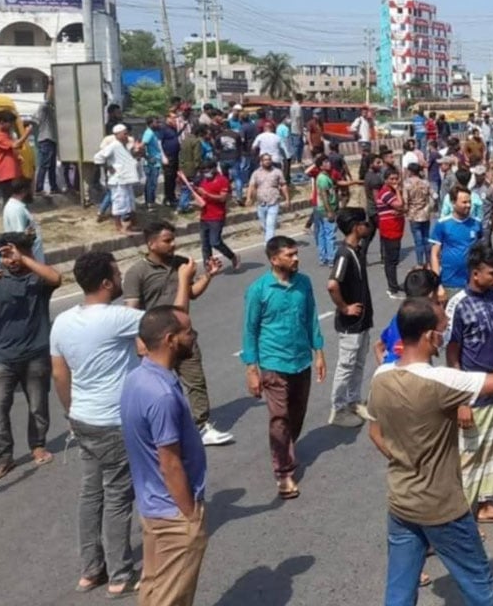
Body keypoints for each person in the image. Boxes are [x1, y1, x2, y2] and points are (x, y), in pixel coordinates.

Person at [368, 295, 493, 605]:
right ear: (428, 336)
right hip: (443, 507)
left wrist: (408, 461)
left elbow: (375, 432)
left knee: (399, 591)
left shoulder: (380, 377)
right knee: (479, 587)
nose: (445, 334)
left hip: (401, 502)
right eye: (441, 329)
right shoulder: (441, 380)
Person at [51, 251, 164, 597]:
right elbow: (168, 324)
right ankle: (119, 575)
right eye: (117, 274)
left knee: (90, 494)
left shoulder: (62, 321)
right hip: (113, 421)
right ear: (105, 282)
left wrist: (71, 413)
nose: (120, 279)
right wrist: (186, 283)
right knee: (117, 497)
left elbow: (59, 374)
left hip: (83, 419)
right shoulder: (118, 317)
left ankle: (91, 570)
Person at [120, 306, 210, 606]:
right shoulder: (162, 394)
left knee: (154, 589)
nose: (194, 337)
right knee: (171, 598)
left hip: (152, 506)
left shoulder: (137, 378)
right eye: (188, 332)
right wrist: (190, 519)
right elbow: (170, 463)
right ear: (171, 339)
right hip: (173, 513)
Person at [123, 220, 234, 447]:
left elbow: (191, 293)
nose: (173, 244)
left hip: (183, 337)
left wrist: (208, 276)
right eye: (167, 240)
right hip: (155, 340)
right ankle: (158, 428)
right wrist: (138, 339)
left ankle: (202, 426)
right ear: (151, 244)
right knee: (157, 388)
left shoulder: (182, 264)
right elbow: (131, 312)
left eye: (173, 239)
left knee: (196, 381)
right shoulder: (137, 272)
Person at [0, 232, 61, 480]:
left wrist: (25, 259)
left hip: (36, 354)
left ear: (27, 253)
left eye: (14, 254)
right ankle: (4, 457)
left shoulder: (38, 278)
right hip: (2, 357)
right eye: (5, 255)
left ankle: (38, 445)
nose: (10, 261)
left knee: (38, 405)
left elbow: (57, 278)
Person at [242, 235, 327, 500]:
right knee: (279, 418)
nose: (296, 258)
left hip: (301, 359)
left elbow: (311, 317)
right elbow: (250, 330)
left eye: (295, 254)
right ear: (274, 259)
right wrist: (251, 369)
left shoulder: (304, 283)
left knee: (296, 414)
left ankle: (285, 449)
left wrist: (319, 353)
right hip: (273, 363)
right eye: (289, 255)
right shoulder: (259, 290)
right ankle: (284, 473)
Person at [448, 245, 493, 526]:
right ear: (475, 273)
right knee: (469, 456)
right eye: (491, 273)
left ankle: (485, 505)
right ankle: (461, 519)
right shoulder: (458, 305)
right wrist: (460, 400)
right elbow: (451, 353)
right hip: (473, 392)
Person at [327, 209, 374, 429]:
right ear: (356, 226)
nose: (368, 227)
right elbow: (332, 284)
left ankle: (354, 401)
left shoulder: (357, 249)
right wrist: (345, 308)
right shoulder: (344, 254)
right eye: (364, 223)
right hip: (351, 324)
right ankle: (338, 408)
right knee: (346, 365)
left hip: (363, 320)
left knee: (359, 363)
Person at [431, 186, 481, 298]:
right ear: (453, 203)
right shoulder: (442, 224)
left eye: (469, 202)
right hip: (449, 283)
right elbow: (434, 254)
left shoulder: (477, 223)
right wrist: (438, 284)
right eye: (464, 202)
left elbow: (481, 250)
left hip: (472, 283)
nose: (468, 205)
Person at [244, 152, 289, 244]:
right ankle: (269, 239)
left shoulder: (277, 172)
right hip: (261, 203)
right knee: (264, 225)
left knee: (270, 225)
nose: (267, 162)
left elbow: (283, 185)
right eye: (265, 160)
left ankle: (268, 245)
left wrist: (287, 199)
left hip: (274, 202)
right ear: (261, 162)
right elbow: (252, 186)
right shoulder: (256, 173)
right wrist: (249, 198)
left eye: (269, 160)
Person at [376, 166, 407, 297]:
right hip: (390, 229)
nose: (395, 181)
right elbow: (400, 205)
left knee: (394, 259)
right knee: (391, 260)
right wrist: (398, 191)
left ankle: (393, 284)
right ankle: (392, 287)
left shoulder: (392, 192)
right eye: (391, 179)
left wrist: (400, 208)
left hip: (396, 228)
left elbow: (403, 207)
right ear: (386, 180)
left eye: (396, 178)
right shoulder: (386, 192)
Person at [1, 179, 43, 263]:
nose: (32, 193)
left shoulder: (17, 206)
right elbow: (20, 238)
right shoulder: (16, 209)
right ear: (24, 191)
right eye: (31, 189)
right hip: (30, 260)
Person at [0, 110, 28, 201]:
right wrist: (26, 133)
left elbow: (11, 148)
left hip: (14, 171)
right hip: (6, 173)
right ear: (2, 122)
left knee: (18, 198)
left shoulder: (6, 134)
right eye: (10, 123)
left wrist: (18, 156)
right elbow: (15, 145)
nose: (11, 125)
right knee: (9, 199)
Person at [403, 162, 433, 267]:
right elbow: (433, 195)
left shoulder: (407, 184)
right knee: (426, 239)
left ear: (410, 171)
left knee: (418, 241)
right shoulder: (425, 183)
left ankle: (420, 263)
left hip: (414, 214)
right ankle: (429, 262)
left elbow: (405, 201)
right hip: (425, 213)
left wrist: (405, 211)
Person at [311, 154, 339, 266]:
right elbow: (324, 196)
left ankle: (323, 257)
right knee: (330, 234)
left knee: (322, 233)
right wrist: (329, 211)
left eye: (328, 162)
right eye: (325, 163)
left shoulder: (324, 177)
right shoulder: (323, 178)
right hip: (325, 209)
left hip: (319, 208)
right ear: (320, 166)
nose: (329, 164)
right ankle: (331, 257)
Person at [140, 117, 164, 209]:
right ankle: (150, 203)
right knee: (151, 183)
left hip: (155, 161)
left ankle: (149, 201)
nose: (158, 124)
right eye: (156, 122)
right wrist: (147, 157)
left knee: (150, 183)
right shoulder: (149, 133)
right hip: (152, 162)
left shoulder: (152, 133)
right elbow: (142, 146)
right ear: (150, 124)